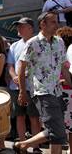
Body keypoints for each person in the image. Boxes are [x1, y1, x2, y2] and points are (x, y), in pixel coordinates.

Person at [14, 12, 72, 154]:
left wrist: (71, 83)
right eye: (53, 22)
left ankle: (23, 145)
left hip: (57, 91)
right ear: (42, 24)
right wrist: (22, 91)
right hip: (42, 92)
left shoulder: (59, 42)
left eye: (56, 21)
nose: (56, 25)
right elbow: (21, 69)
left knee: (56, 133)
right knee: (58, 132)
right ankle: (24, 144)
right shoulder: (32, 43)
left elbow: (63, 67)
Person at [8, 17, 41, 153]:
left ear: (30, 28)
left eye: (22, 26)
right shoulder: (14, 46)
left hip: (33, 87)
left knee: (34, 117)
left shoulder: (39, 43)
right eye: (18, 26)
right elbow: (9, 65)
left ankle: (36, 146)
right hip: (16, 88)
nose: (19, 29)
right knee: (19, 116)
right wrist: (14, 76)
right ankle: (22, 145)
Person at [56, 26, 72, 154]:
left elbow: (67, 79)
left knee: (61, 128)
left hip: (65, 93)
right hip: (67, 94)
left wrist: (60, 81)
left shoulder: (65, 56)